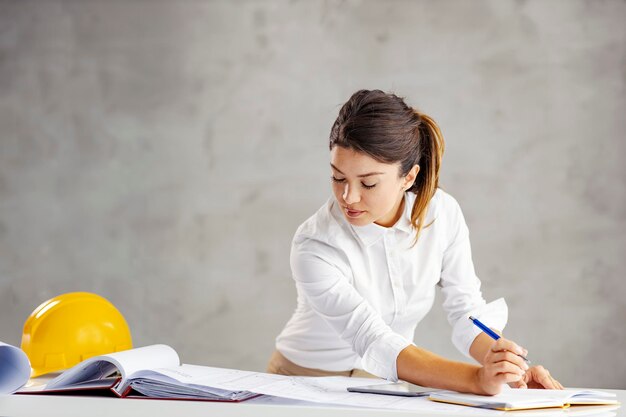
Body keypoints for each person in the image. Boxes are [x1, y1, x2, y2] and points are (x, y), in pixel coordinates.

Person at [267, 89, 562, 395]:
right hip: (302, 379)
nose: (348, 197)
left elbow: (466, 310)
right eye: (338, 178)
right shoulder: (315, 244)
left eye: (368, 183)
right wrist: (477, 379)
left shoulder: (442, 213)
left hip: (380, 381)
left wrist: (508, 369)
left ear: (408, 178)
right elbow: (373, 338)